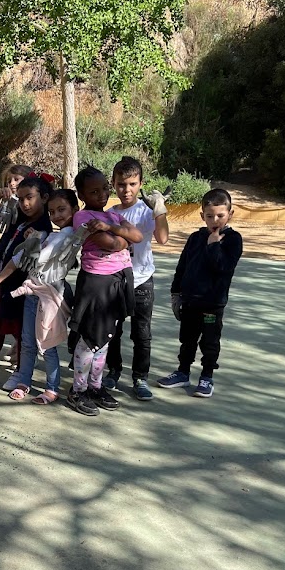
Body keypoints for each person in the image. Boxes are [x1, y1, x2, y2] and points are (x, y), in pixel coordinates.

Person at [0, 188, 85, 404]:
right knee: (28, 342)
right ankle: (24, 381)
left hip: (49, 298)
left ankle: (52, 388)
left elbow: (37, 258)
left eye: (61, 210)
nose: (56, 215)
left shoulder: (70, 236)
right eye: (52, 212)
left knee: (47, 345)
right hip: (32, 295)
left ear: (74, 209)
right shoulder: (52, 235)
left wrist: (35, 241)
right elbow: (22, 257)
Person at [67, 167, 143, 416]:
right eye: (94, 191)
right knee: (89, 339)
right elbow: (111, 245)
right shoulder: (82, 217)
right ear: (81, 195)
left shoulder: (111, 215)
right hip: (97, 283)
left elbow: (137, 236)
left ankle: (95, 386)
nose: (102, 195)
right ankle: (78, 390)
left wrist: (114, 228)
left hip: (118, 281)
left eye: (104, 189)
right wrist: (123, 237)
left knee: (105, 339)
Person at [0, 173, 52, 389]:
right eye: (21, 199)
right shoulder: (20, 218)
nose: (25, 203)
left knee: (21, 331)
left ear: (44, 198)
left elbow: (20, 260)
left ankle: (20, 372)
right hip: (3, 282)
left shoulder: (42, 228)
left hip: (20, 288)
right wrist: (2, 196)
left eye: (30, 197)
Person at [157, 188, 243, 398]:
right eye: (210, 216)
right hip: (190, 301)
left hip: (212, 304)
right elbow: (182, 266)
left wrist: (214, 246)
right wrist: (176, 293)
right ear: (202, 215)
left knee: (210, 342)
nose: (215, 220)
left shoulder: (233, 240)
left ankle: (206, 377)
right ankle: (183, 372)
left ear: (230, 214)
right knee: (187, 339)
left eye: (220, 215)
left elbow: (223, 267)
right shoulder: (195, 238)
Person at [103, 157, 170, 400]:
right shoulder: (110, 214)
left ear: (141, 183)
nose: (126, 190)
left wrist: (159, 207)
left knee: (142, 333)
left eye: (132, 184)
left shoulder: (146, 211)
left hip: (142, 280)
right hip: (116, 279)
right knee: (113, 331)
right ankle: (113, 371)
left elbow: (163, 238)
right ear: (113, 184)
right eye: (121, 184)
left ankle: (140, 377)